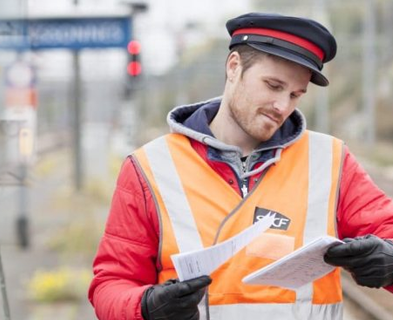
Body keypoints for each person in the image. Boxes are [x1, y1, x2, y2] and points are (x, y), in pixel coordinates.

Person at [89, 12, 393, 320]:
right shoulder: (149, 168)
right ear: (234, 67)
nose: (283, 107)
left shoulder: (331, 160)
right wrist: (146, 307)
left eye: (295, 95)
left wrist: (390, 260)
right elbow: (111, 285)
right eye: (273, 86)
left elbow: (388, 232)